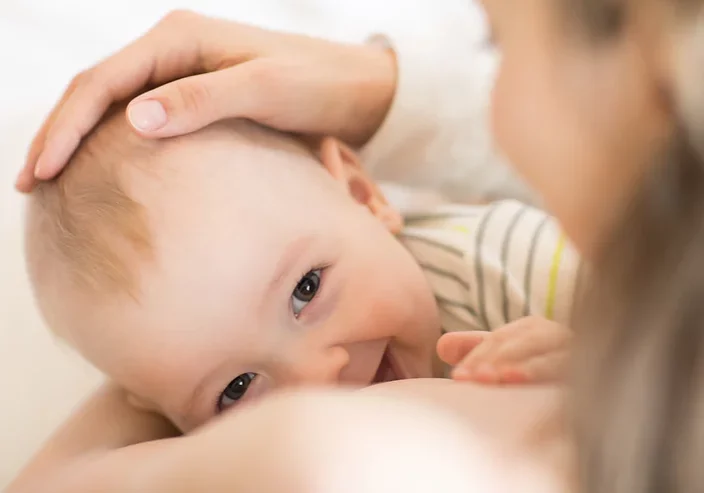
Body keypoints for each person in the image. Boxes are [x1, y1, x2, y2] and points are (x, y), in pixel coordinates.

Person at [16, 0, 704, 491]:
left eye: (307, 289)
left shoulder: (505, 260)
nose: (318, 377)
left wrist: (586, 360)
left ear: (363, 196)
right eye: (235, 387)